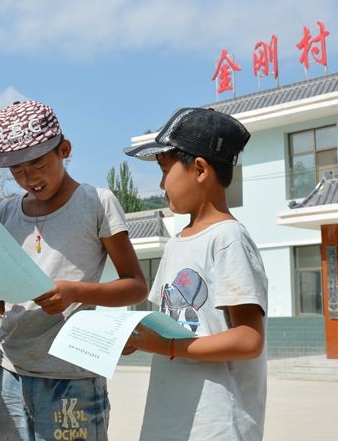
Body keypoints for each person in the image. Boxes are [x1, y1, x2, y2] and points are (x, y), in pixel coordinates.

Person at [0, 99, 147, 441]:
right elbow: (2, 303)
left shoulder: (96, 203)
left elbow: (135, 286)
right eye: (16, 171)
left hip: (71, 375)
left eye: (37, 164)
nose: (29, 178)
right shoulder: (5, 214)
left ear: (64, 150)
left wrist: (74, 292)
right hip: (10, 371)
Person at [123, 107, 268, 441]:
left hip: (215, 425)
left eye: (164, 170)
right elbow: (171, 323)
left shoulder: (228, 238)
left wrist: (168, 346)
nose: (161, 184)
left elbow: (249, 339)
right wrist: (137, 339)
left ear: (200, 169)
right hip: (172, 419)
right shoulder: (177, 243)